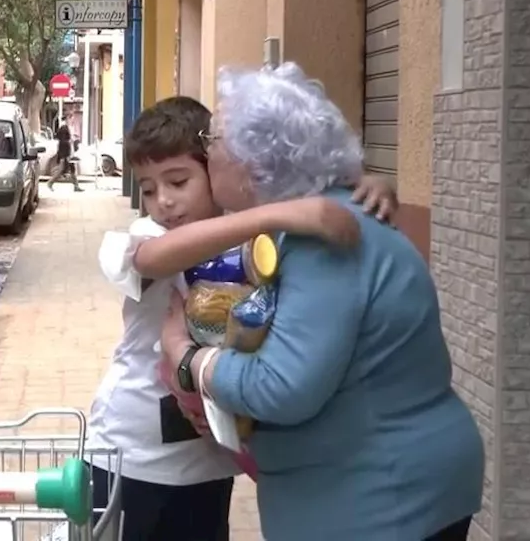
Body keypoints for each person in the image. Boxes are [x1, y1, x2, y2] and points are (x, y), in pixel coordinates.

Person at [159, 63, 485, 540]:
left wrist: (190, 359)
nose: (205, 152)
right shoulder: (315, 219)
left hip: (382, 498)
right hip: (377, 487)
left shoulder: (320, 240)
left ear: (254, 163)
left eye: (213, 140)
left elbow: (281, 388)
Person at [91, 96, 399, 540]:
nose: (164, 202)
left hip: (210, 461)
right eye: (149, 188)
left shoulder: (253, 240)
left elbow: (315, 203)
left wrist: (367, 186)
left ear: (214, 172)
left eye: (178, 181)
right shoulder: (146, 236)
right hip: (126, 454)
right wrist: (273, 215)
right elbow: (152, 260)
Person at [48, 117, 81, 191]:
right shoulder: (64, 129)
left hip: (67, 153)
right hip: (65, 154)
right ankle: (50, 182)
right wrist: (67, 154)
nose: (71, 120)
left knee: (72, 170)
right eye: (70, 118)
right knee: (61, 170)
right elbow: (64, 143)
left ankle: (76, 186)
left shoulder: (66, 128)